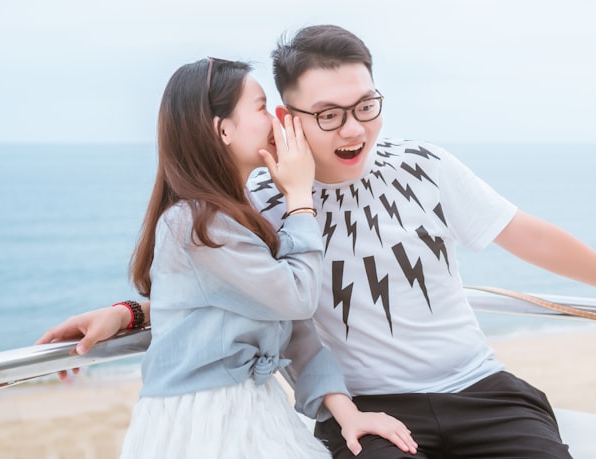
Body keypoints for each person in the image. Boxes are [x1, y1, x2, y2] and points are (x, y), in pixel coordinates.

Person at [40, 27, 596, 459]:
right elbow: (228, 294)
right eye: (331, 114)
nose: (355, 129)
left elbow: (533, 236)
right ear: (286, 117)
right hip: (367, 408)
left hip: (480, 387)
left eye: (367, 105)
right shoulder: (271, 204)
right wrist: (134, 312)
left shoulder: (422, 162)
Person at [82, 57, 416, 458]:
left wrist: (349, 416)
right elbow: (296, 297)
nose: (277, 118)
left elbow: (291, 325)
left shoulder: (236, 216)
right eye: (260, 107)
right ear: (223, 130)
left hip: (254, 410)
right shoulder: (192, 223)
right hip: (205, 424)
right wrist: (299, 199)